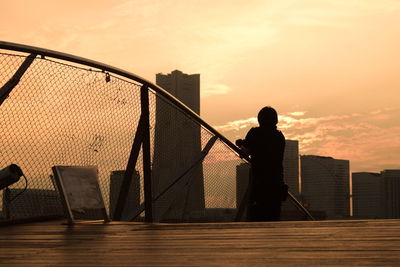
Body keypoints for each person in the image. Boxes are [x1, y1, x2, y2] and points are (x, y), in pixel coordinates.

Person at [236, 106, 287, 221]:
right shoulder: (280, 136)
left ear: (259, 119)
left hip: (260, 184)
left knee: (256, 219)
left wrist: (242, 144)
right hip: (277, 184)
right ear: (276, 120)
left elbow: (244, 153)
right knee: (274, 218)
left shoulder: (255, 133)